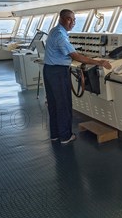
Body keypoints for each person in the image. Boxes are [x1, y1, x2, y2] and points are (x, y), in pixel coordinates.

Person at [43, 9, 111, 144]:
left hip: (49, 70)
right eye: (69, 19)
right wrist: (99, 62)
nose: (72, 22)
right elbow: (75, 56)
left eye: (74, 20)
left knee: (53, 104)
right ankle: (65, 136)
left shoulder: (55, 31)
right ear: (62, 19)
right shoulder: (61, 36)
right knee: (63, 104)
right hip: (58, 73)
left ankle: (55, 134)